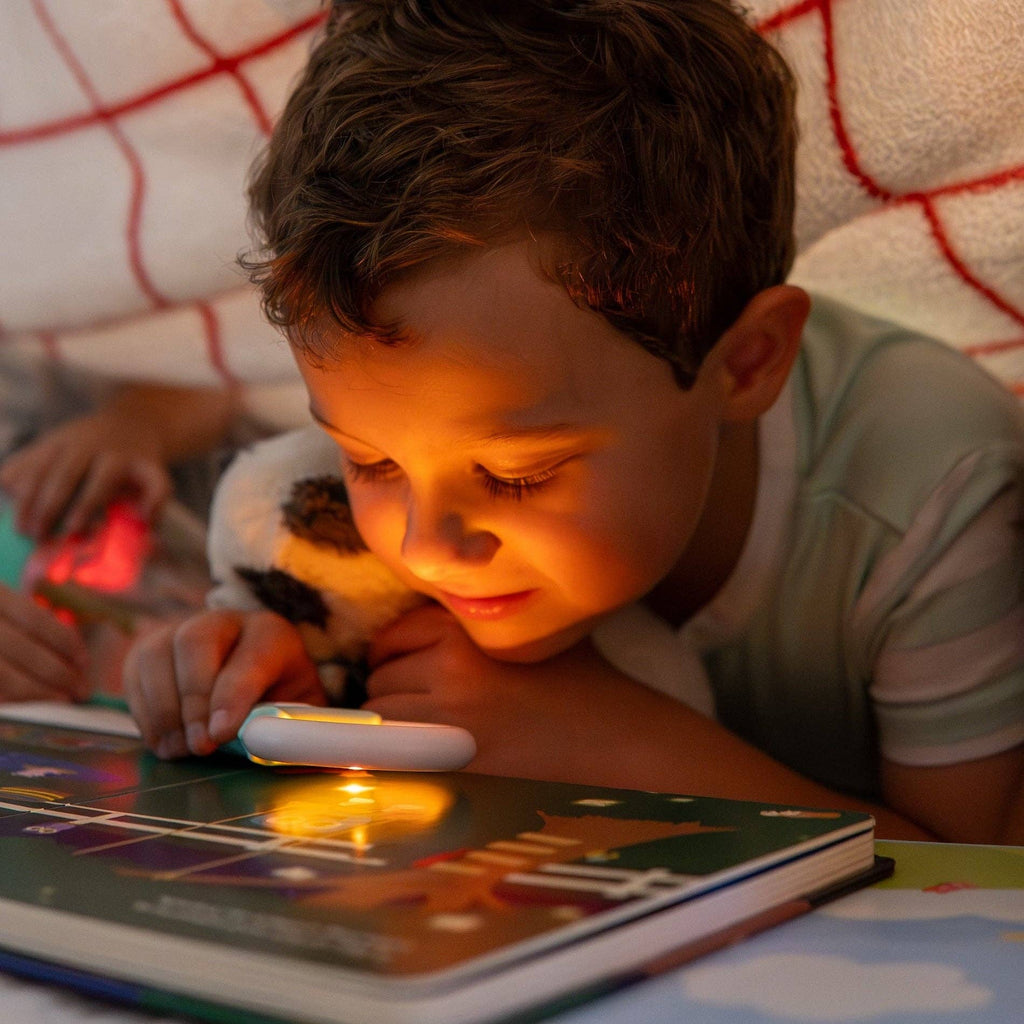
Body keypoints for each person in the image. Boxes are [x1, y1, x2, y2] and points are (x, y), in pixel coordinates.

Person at [123, 0, 1024, 845]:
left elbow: (982, 884)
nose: (427, 546)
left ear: (745, 363)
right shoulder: (447, 435)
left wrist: (631, 748)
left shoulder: (934, 493)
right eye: (370, 462)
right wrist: (274, 693)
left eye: (517, 475)